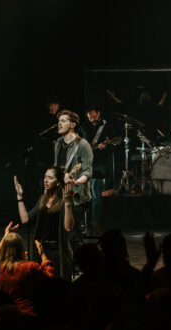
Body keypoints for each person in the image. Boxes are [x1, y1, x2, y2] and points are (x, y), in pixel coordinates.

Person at [13, 169, 76, 279]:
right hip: (39, 249)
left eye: (50, 178)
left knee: (55, 286)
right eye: (45, 177)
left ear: (58, 182)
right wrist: (19, 197)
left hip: (56, 251)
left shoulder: (64, 200)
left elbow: (68, 227)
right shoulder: (42, 199)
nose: (46, 180)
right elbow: (25, 219)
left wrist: (68, 204)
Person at [78, 105, 115, 233]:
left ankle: (95, 222)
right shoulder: (83, 127)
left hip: (100, 163)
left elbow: (112, 144)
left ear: (99, 113)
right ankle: (83, 222)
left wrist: (105, 146)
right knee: (83, 194)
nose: (93, 119)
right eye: (90, 118)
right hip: (85, 164)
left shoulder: (107, 126)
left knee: (96, 193)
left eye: (94, 117)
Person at [53, 110, 93, 217]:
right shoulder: (58, 143)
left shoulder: (83, 145)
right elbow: (56, 166)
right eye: (58, 121)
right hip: (60, 195)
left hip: (76, 197)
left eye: (63, 121)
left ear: (72, 124)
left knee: (73, 231)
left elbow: (87, 172)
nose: (59, 123)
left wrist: (75, 182)